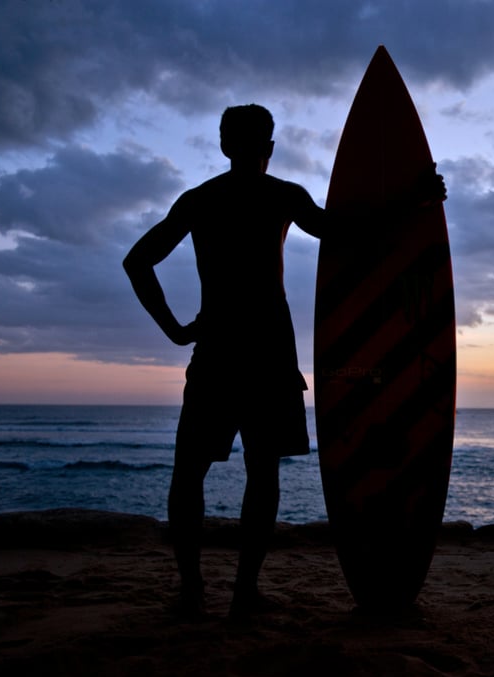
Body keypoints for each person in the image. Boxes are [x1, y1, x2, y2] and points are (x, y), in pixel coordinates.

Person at [123, 104, 444, 619]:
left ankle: (192, 592)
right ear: (269, 147)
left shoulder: (199, 200)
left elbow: (137, 260)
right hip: (269, 356)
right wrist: (412, 203)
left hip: (217, 353)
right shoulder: (283, 196)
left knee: (189, 475)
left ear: (224, 146)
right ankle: (244, 594)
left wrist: (177, 330)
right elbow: (348, 232)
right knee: (262, 473)